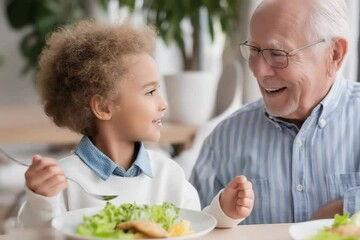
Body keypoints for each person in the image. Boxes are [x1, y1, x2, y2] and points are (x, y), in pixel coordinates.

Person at [190, 0, 360, 224]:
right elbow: (189, 225)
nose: (259, 71)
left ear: (334, 54)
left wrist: (351, 208)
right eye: (254, 50)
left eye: (278, 54)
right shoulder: (225, 138)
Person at [17, 20, 254, 228]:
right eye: (150, 92)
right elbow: (36, 234)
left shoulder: (168, 174)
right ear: (104, 107)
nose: (163, 104)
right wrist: (42, 198)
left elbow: (191, 228)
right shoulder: (65, 179)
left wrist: (222, 212)